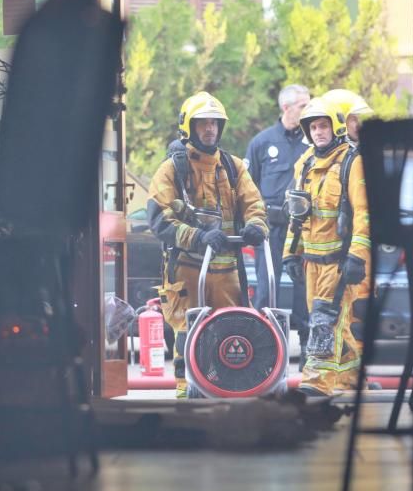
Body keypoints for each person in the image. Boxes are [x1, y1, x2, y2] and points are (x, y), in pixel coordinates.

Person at [147, 91, 268, 398]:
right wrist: (198, 237)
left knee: (231, 330)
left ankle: (226, 386)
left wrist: (255, 226)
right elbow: (160, 219)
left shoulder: (233, 166)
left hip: (227, 270)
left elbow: (254, 204)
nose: (210, 128)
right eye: (202, 123)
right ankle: (187, 389)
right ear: (188, 127)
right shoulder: (172, 169)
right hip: (187, 269)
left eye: (214, 122)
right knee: (188, 331)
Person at [282, 96, 372, 396]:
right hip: (311, 262)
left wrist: (357, 256)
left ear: (335, 128)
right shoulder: (304, 164)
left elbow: (364, 212)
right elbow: (297, 214)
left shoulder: (352, 162)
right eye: (313, 127)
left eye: (323, 126)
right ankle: (350, 378)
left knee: (324, 320)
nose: (319, 132)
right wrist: (290, 254)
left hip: (338, 261)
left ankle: (316, 381)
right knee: (334, 322)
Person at [244, 84, 311, 315]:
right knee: (266, 286)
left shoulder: (312, 142)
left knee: (304, 287)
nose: (308, 109)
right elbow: (247, 187)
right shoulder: (262, 142)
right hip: (270, 227)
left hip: (302, 227)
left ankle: (305, 342)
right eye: (304, 105)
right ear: (286, 107)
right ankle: (266, 341)